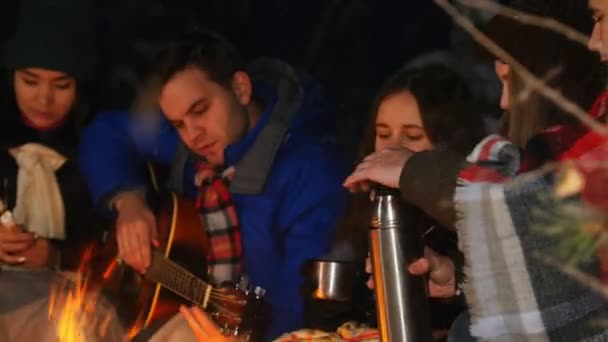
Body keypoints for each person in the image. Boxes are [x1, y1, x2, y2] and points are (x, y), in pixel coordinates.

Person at [344, 0, 608, 341]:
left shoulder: (572, 152)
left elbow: (550, 219)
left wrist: (417, 172)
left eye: (601, 18)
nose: (594, 40)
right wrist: (463, 277)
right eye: (383, 133)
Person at [79, 29, 347, 340]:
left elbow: (300, 304)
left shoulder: (309, 172)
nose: (192, 135)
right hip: (185, 315)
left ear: (241, 88)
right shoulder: (196, 149)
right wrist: (128, 202)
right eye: (177, 124)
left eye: (200, 110)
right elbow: (106, 132)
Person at [0, 0, 111, 339]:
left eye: (61, 85)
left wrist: (55, 255)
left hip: (67, 301)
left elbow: (115, 249)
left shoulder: (98, 151)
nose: (43, 100)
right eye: (30, 81)